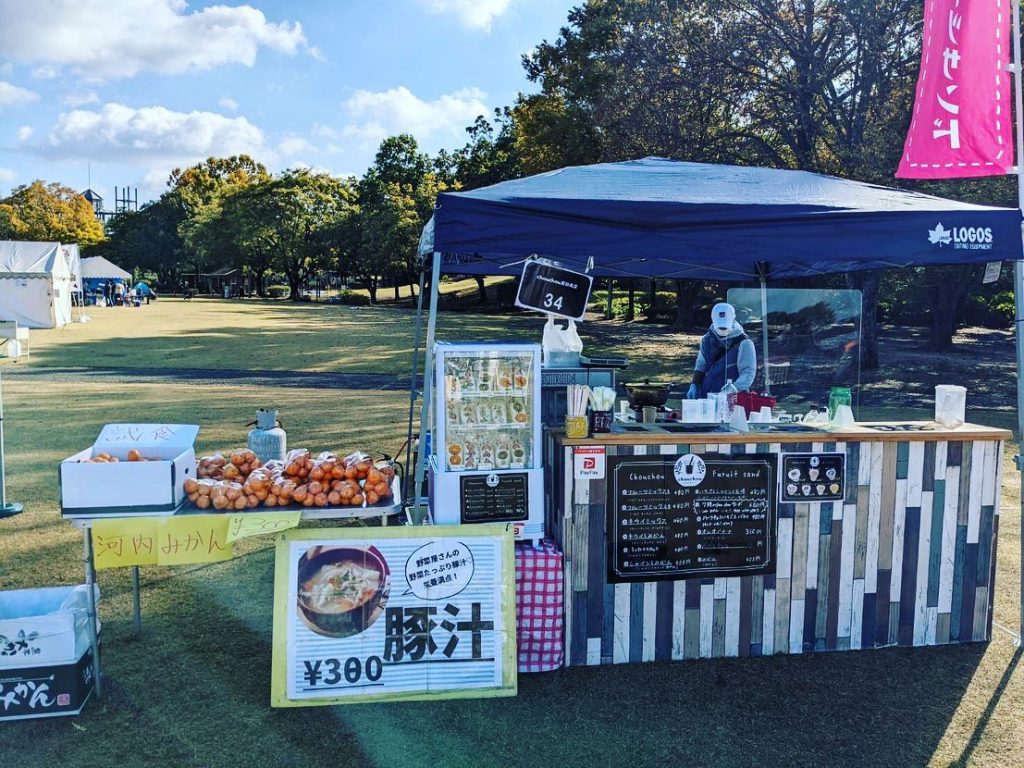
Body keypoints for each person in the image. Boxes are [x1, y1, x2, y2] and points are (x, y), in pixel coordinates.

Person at [686, 302, 757, 399]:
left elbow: (748, 372)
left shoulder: (744, 343)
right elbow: (701, 365)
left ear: (733, 320)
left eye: (725, 327)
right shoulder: (707, 339)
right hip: (708, 395)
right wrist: (694, 385)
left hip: (734, 399)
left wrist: (734, 388)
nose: (722, 330)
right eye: (720, 327)